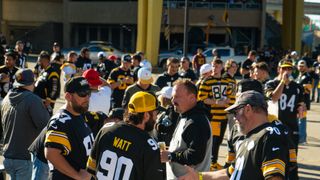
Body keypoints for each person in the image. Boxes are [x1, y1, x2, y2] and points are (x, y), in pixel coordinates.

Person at [178, 91, 290, 180]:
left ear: (248, 109)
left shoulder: (269, 135)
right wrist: (199, 177)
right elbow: (230, 172)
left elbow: (274, 176)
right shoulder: (249, 137)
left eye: (236, 112)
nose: (234, 118)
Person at [86, 91, 164, 180]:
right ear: (146, 115)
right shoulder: (149, 146)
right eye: (155, 113)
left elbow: (91, 169)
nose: (156, 117)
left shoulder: (106, 130)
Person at [1, 69, 50, 180]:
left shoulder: (6, 99)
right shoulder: (33, 100)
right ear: (32, 83)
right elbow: (47, 126)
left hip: (8, 156)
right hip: (25, 158)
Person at [160, 79, 212, 180]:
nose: (173, 101)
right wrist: (170, 151)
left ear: (192, 98)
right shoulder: (186, 115)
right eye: (173, 97)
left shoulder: (196, 122)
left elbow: (195, 156)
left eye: (177, 97)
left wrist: (170, 156)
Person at [44, 76, 93, 179]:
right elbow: (51, 153)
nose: (87, 98)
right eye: (83, 94)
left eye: (89, 93)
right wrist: (78, 176)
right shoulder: (60, 122)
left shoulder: (79, 115)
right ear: (68, 96)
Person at [198, 59, 232, 170]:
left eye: (217, 66)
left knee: (220, 140)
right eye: (213, 66)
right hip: (213, 117)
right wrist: (216, 102)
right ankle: (212, 163)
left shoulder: (226, 81)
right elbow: (202, 98)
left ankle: (214, 162)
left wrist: (227, 101)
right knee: (214, 141)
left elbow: (230, 96)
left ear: (222, 67)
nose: (215, 68)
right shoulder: (207, 81)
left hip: (223, 116)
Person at [265, 60, 304, 156]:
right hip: (276, 125)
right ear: (279, 69)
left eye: (289, 68)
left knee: (292, 157)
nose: (287, 71)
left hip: (292, 125)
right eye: (284, 68)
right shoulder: (271, 84)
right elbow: (274, 98)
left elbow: (301, 104)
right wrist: (282, 82)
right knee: (276, 155)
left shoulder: (297, 87)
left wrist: (301, 108)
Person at [295, 60, 312, 144]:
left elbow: (308, 89)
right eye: (299, 65)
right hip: (298, 101)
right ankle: (301, 138)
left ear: (306, 67)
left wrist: (299, 87)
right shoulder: (299, 76)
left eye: (302, 65)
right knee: (299, 120)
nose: (301, 67)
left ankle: (302, 139)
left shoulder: (307, 76)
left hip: (303, 102)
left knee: (302, 121)